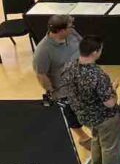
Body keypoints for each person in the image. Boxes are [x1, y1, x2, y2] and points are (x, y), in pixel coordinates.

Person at [64, 36, 120, 164]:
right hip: (104, 118)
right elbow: (110, 103)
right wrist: (113, 89)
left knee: (96, 138)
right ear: (95, 52)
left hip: (84, 116)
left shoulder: (70, 67)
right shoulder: (97, 75)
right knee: (110, 148)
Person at [33, 14, 91, 148]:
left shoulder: (71, 34)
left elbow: (81, 44)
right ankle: (83, 137)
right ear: (61, 30)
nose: (73, 28)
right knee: (71, 114)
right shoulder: (43, 51)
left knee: (88, 107)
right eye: (70, 27)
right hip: (64, 89)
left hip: (82, 79)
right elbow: (41, 74)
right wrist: (52, 92)